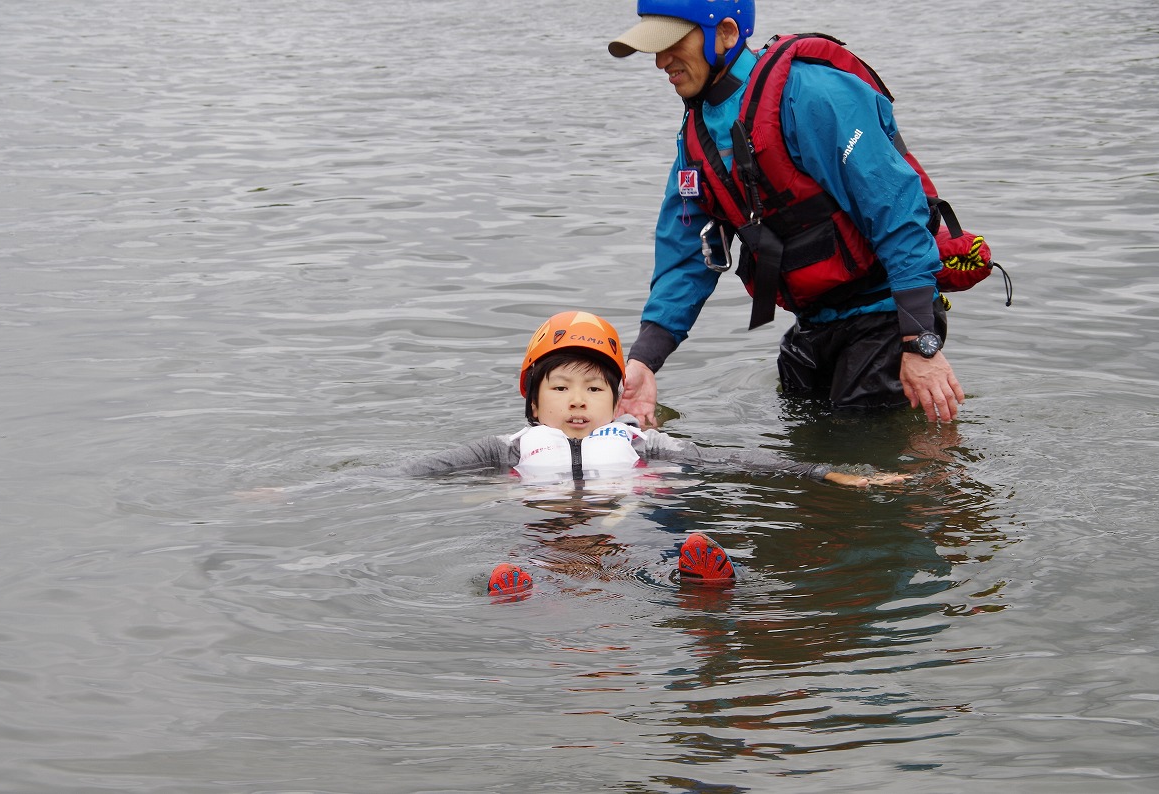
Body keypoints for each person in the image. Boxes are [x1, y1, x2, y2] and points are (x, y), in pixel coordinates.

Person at [608, 1, 966, 427]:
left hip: (887, 314)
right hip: (815, 324)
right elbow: (687, 256)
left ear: (724, 32)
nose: (660, 61)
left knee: (862, 452)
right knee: (807, 444)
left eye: (671, 43)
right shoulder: (697, 139)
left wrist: (918, 342)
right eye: (654, 47)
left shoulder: (813, 93)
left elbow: (895, 211)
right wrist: (645, 362)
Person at [389, 310, 907, 594]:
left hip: (624, 523)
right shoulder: (507, 448)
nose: (577, 401)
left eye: (594, 390)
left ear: (617, 402)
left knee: (651, 550)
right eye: (561, 388)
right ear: (532, 399)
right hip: (545, 528)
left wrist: (824, 472)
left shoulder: (641, 440)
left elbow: (731, 461)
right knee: (534, 558)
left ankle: (698, 579)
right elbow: (425, 470)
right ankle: (517, 589)